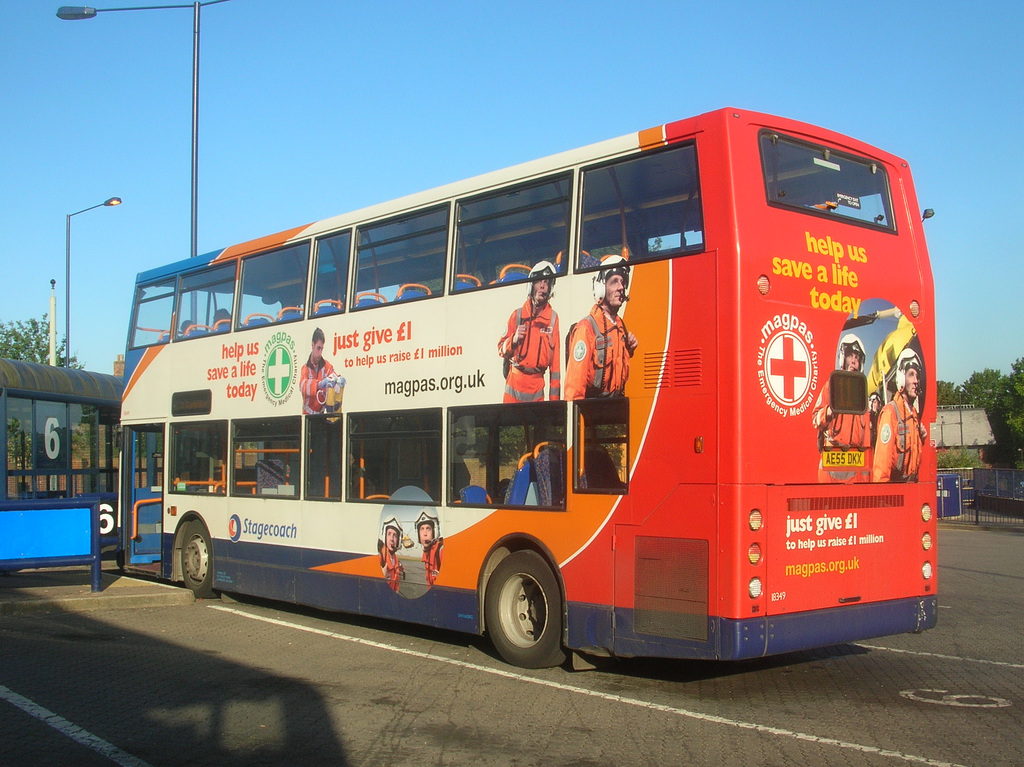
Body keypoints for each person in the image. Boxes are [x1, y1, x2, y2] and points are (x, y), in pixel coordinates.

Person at [564, 256, 638, 400]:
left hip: (614, 408)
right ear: (601, 289)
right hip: (593, 411)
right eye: (614, 282)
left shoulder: (620, 327)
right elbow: (574, 387)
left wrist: (628, 350)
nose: (621, 287)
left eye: (623, 282)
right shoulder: (586, 328)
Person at [497, 261, 561, 402]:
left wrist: (554, 403)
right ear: (531, 286)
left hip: (537, 388)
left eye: (546, 282)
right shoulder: (517, 315)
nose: (543, 286)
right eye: (538, 281)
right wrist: (513, 340)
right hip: (513, 385)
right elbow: (500, 349)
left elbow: (555, 367)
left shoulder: (553, 319)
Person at [811, 333, 873, 482]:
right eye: (850, 355)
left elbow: (865, 441)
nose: (853, 361)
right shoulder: (830, 387)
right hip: (828, 470)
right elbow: (815, 419)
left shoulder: (862, 398)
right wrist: (828, 412)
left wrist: (865, 483)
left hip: (852, 473)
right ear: (843, 358)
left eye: (857, 357)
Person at [872, 348, 928, 482]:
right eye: (911, 375)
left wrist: (922, 439)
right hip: (895, 488)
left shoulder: (913, 414)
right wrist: (883, 497)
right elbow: (882, 463)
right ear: (902, 378)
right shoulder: (890, 412)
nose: (916, 381)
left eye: (917, 376)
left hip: (912, 487)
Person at [300, 327, 336, 414]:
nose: (320, 353)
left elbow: (333, 376)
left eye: (322, 349)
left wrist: (337, 380)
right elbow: (303, 386)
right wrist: (319, 384)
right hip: (307, 417)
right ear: (312, 345)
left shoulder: (327, 366)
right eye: (318, 348)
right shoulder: (305, 368)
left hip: (321, 416)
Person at [416, 511, 443, 588]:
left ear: (434, 531)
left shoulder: (441, 551)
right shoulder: (427, 553)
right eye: (422, 529)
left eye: (428, 529)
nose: (425, 533)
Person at [378, 518, 405, 592]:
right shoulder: (380, 557)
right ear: (385, 536)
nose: (392, 539)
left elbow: (397, 583)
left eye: (395, 535)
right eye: (389, 534)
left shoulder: (395, 560)